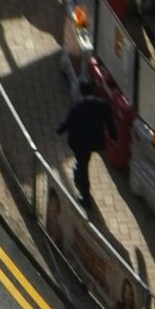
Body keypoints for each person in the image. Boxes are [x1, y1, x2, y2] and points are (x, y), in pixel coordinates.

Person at [57, 84, 112, 213]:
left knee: (83, 165)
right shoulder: (103, 105)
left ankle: (85, 198)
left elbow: (69, 122)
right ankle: (77, 174)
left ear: (81, 92)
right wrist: (113, 135)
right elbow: (109, 122)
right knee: (83, 161)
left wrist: (59, 130)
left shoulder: (78, 106)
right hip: (94, 142)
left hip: (80, 142)